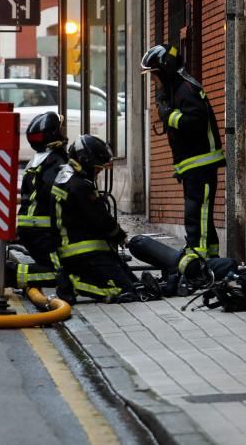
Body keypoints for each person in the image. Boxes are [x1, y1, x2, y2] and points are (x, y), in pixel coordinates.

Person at [141, 44, 225, 282]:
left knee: (198, 214)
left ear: (165, 70)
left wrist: (170, 116)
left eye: (154, 74)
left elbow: (196, 122)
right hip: (192, 165)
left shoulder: (186, 89)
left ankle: (200, 260)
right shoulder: (175, 89)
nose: (153, 80)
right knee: (196, 214)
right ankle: (207, 261)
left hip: (201, 164)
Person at [51, 135, 141, 303]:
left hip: (82, 249)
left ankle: (74, 280)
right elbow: (101, 219)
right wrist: (120, 236)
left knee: (135, 285)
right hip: (83, 252)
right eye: (97, 169)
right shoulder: (80, 186)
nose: (98, 173)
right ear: (85, 161)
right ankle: (71, 283)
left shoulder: (67, 176)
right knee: (122, 290)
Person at [7, 111, 69, 292]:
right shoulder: (57, 163)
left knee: (55, 265)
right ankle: (9, 275)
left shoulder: (35, 162)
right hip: (44, 233)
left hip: (32, 231)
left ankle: (8, 273)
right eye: (60, 128)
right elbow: (59, 199)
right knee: (62, 273)